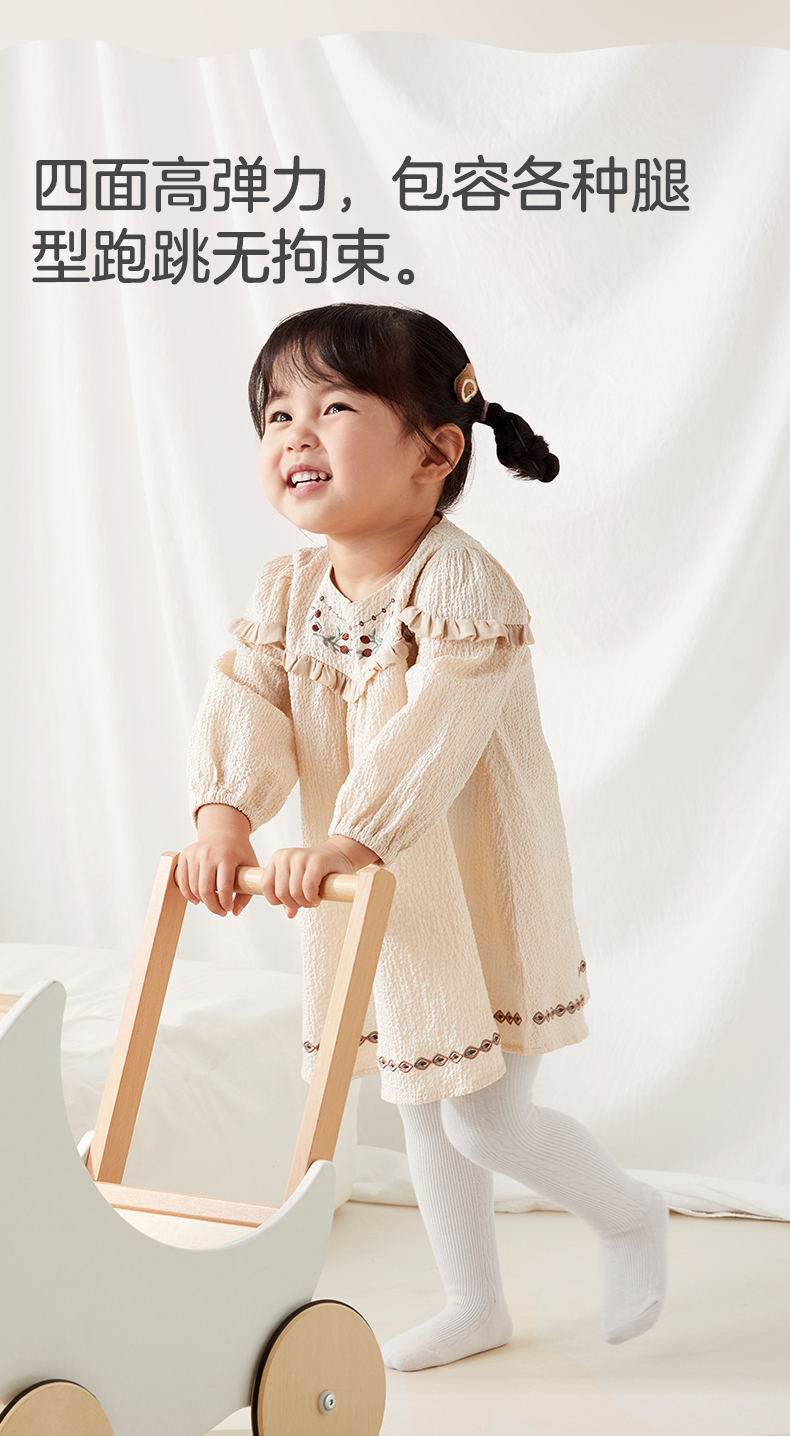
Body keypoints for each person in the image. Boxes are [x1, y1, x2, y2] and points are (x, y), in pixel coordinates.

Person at [178, 302, 668, 1372]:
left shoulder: (459, 583)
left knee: (483, 1120)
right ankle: (473, 1302)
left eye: (334, 409)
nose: (296, 434)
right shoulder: (286, 589)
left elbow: (434, 732)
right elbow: (247, 700)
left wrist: (350, 837)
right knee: (419, 1093)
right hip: (382, 897)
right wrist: (224, 816)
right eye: (277, 414)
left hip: (469, 884)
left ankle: (630, 1213)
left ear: (435, 452)